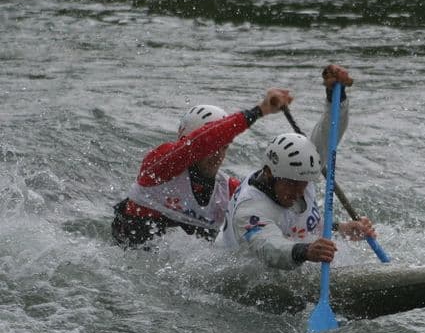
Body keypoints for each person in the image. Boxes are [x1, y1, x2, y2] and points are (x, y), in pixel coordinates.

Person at [216, 64, 375, 269]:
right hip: (235, 276)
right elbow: (269, 248)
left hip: (295, 254)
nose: (299, 190)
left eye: (304, 183)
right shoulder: (250, 208)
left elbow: (328, 135)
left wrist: (337, 96)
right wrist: (306, 251)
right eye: (291, 183)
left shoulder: (301, 170)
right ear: (269, 174)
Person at [111, 88, 293, 247]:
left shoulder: (229, 192)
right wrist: (259, 111)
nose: (218, 154)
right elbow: (201, 141)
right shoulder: (158, 168)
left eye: (224, 147)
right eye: (211, 147)